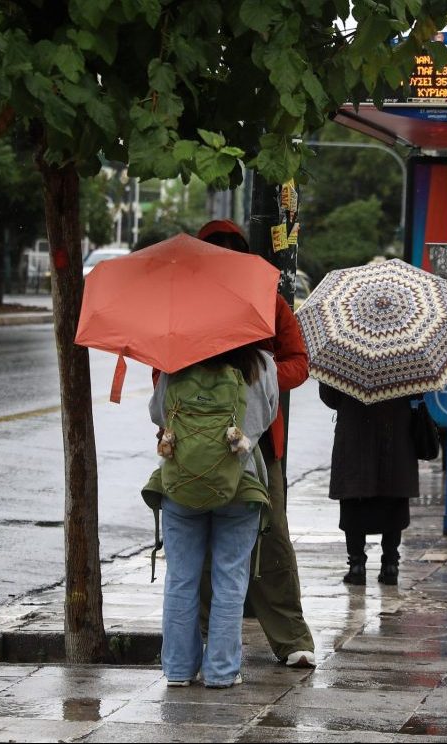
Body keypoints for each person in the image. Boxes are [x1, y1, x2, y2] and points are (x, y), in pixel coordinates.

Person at [193, 219, 317, 669]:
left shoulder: (269, 298)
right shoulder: (186, 301)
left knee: (272, 539)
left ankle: (290, 638)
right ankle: (205, 638)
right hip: (196, 444)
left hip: (262, 446)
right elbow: (163, 374)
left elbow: (298, 362)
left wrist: (258, 381)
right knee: (199, 542)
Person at [148, 343, 279, 688]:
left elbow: (159, 415)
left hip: (181, 485)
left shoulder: (176, 358)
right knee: (230, 580)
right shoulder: (261, 363)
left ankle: (177, 669)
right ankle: (221, 671)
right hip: (241, 484)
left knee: (180, 577)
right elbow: (265, 418)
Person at [319, 384, 419, 585]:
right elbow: (417, 392)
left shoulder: (345, 355)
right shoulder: (403, 355)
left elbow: (331, 398)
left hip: (354, 431)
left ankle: (357, 565)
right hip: (395, 431)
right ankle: (391, 564)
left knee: (354, 496)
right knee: (393, 495)